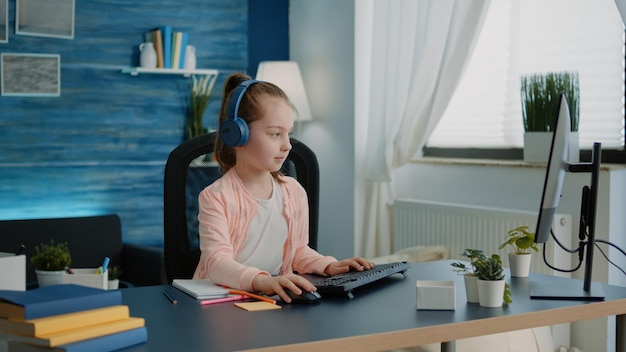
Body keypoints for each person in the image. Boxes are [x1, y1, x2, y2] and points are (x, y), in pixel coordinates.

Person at [193, 72, 374, 303]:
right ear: (238, 135)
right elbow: (217, 263)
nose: (287, 145)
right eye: (275, 134)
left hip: (270, 297)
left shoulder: (293, 191)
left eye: (288, 134)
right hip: (222, 301)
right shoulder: (215, 197)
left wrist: (329, 265)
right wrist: (263, 281)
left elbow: (298, 251)